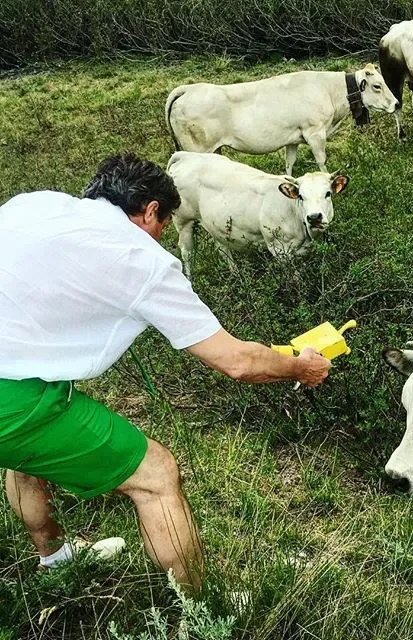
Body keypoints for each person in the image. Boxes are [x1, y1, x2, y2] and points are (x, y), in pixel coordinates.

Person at [0, 152, 331, 591]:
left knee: (25, 458)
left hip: (22, 367)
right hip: (12, 396)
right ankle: (201, 610)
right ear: (151, 210)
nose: (160, 238)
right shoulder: (142, 260)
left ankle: (55, 560)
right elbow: (237, 361)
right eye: (162, 225)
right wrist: (299, 367)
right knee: (156, 476)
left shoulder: (34, 203)